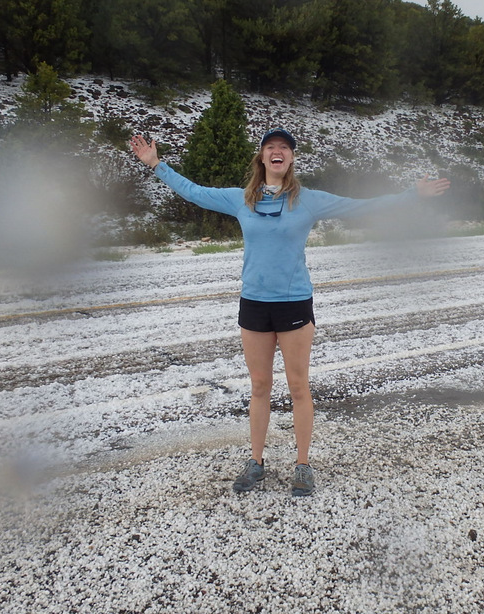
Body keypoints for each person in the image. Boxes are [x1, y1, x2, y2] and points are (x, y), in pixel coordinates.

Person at [130, 127, 449, 496]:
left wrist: (413, 194)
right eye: (271, 147)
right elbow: (196, 193)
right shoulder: (241, 199)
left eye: (284, 147)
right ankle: (256, 461)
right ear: (262, 157)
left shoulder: (308, 200)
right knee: (260, 386)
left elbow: (361, 205)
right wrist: (157, 165)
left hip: (295, 302)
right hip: (254, 304)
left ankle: (302, 465)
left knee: (298, 387)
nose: (277, 151)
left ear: (292, 158)